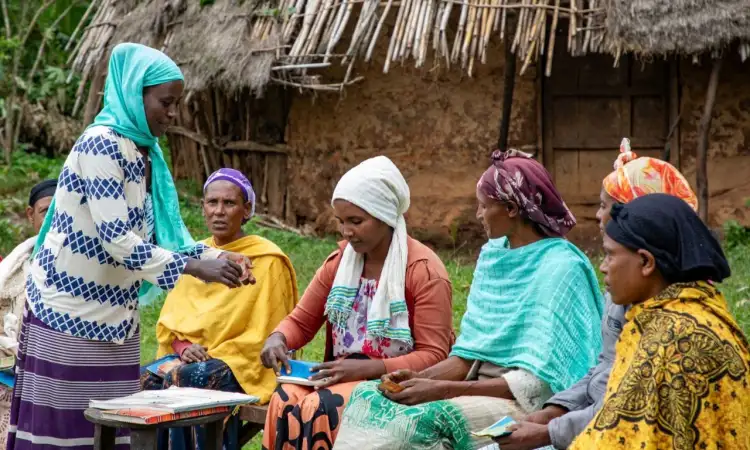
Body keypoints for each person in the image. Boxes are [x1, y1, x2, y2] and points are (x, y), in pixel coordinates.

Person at [9, 43, 253, 450]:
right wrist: (196, 269)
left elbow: (161, 237)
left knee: (111, 429)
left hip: (115, 318)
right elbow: (118, 239)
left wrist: (216, 257)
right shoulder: (101, 145)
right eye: (166, 103)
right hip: (66, 314)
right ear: (134, 94)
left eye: (177, 104)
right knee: (64, 434)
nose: (172, 114)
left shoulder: (145, 151)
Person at [333, 149, 605, 450]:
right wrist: (419, 378)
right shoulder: (493, 257)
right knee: (367, 396)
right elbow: (469, 354)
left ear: (512, 208)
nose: (478, 215)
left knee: (422, 420)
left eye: (483, 206)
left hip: (526, 405)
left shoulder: (562, 268)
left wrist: (442, 389)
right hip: (472, 386)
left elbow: (540, 384)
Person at [495, 137, 700, 450]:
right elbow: (603, 369)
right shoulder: (624, 291)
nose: (599, 216)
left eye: (606, 206)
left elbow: (628, 410)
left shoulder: (677, 327)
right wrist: (552, 412)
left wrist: (548, 431)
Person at [259, 156, 454, 449]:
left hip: (397, 383)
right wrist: (278, 338)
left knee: (319, 406)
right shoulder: (339, 265)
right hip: (344, 373)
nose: (346, 231)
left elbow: (434, 355)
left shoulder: (423, 271)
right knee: (284, 400)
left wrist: (364, 369)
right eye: (341, 221)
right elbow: (302, 320)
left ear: (385, 216)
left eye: (356, 221)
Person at [569, 194, 749, 449]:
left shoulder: (671, 338)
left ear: (645, 262)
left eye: (609, 255)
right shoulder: (696, 308)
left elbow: (620, 438)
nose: (603, 267)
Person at [142, 168, 298, 450]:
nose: (219, 211)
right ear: (203, 208)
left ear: (246, 209)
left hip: (243, 361)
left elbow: (269, 330)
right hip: (192, 356)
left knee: (189, 378)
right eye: (212, 203)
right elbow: (173, 321)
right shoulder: (195, 256)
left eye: (229, 203)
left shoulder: (268, 259)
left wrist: (211, 355)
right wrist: (183, 347)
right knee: (146, 378)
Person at [0, 179, 56, 447]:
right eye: (46, 210)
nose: (55, 216)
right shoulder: (14, 267)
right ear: (30, 215)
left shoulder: (86, 267)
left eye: (62, 208)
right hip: (9, 376)